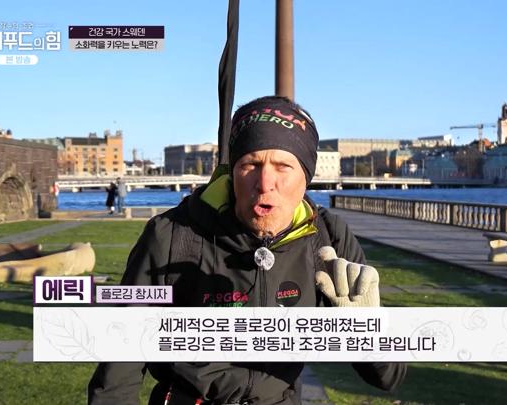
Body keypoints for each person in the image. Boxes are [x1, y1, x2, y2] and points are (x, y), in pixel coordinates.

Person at [88, 96, 407, 404]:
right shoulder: (170, 235)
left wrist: (366, 326)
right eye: (250, 164)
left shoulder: (327, 237)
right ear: (232, 172)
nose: (265, 182)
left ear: (306, 177)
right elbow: (118, 367)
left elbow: (388, 377)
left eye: (283, 166)